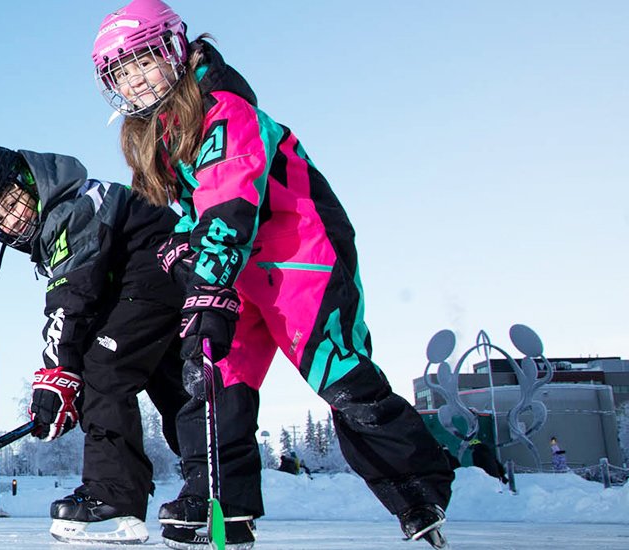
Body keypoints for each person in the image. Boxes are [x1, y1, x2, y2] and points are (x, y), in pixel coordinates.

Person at [88, 1, 455, 548]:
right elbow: (194, 210)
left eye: (143, 62)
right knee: (211, 377)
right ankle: (219, 499)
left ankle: (419, 481)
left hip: (298, 251)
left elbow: (231, 198)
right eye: (122, 71)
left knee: (336, 370)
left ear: (173, 49)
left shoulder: (224, 108)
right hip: (234, 265)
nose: (135, 80)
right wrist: (180, 250)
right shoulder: (156, 135)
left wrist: (208, 279)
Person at [0, 146, 189, 544]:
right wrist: (66, 375)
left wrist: (56, 376)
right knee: (171, 384)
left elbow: (70, 300)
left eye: (12, 203)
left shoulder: (70, 208)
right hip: (146, 283)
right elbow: (82, 304)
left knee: (104, 368)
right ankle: (213, 484)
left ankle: (113, 496)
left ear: (29, 182)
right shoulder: (61, 212)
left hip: (158, 269)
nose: (12, 220)